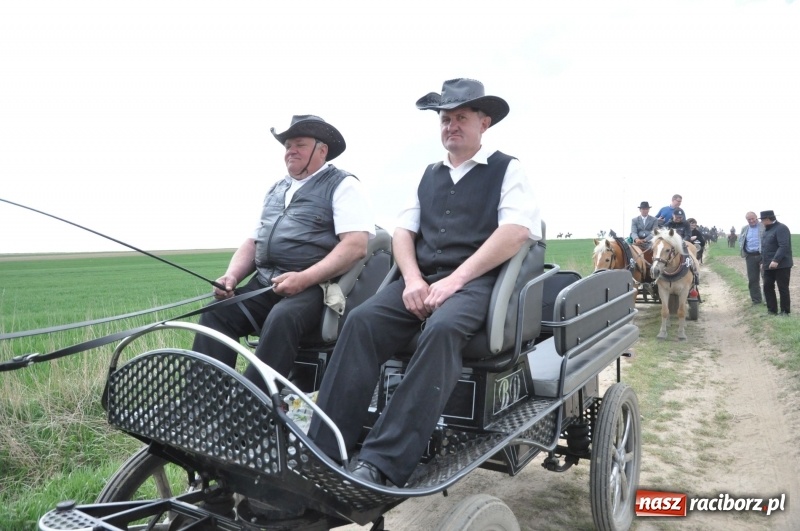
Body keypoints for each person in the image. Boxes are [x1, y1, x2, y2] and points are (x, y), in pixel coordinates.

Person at [308, 78, 541, 486]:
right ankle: (324, 449)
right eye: (445, 119)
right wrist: (413, 280)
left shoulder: (508, 169)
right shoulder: (428, 175)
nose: (451, 125)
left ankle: (382, 462)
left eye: (461, 117)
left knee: (442, 329)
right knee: (361, 322)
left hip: (478, 284)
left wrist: (455, 281)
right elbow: (403, 233)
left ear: (484, 123)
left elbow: (516, 232)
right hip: (424, 279)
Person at [191, 115, 375, 384]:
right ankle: (206, 398)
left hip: (314, 289)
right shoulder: (276, 189)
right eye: (288, 146)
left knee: (282, 317)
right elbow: (254, 241)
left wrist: (303, 279)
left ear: (322, 150)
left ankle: (253, 400)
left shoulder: (344, 185)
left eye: (300, 145)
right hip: (266, 284)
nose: (291, 151)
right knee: (217, 313)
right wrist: (231, 276)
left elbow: (355, 245)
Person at [759, 210, 793, 316]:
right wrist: (762, 261)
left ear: (767, 219)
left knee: (782, 288)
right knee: (767, 286)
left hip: (782, 264)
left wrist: (776, 260)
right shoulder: (766, 230)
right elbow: (765, 248)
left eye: (762, 220)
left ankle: (785, 312)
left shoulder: (781, 228)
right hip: (768, 264)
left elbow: (783, 246)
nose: (761, 222)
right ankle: (772, 311)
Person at [739, 211, 765, 304]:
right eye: (748, 219)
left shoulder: (763, 226)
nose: (751, 221)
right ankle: (756, 300)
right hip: (750, 256)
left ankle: (768, 300)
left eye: (752, 218)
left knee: (766, 278)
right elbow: (741, 240)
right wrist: (744, 250)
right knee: (753, 279)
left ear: (756, 217)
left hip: (762, 256)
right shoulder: (744, 228)